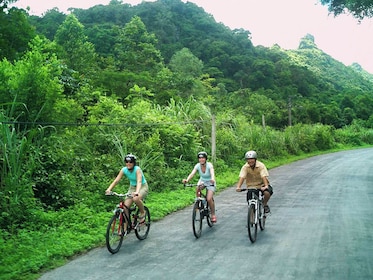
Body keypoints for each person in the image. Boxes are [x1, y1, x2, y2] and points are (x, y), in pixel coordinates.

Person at [105, 154, 148, 223]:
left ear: (134, 163)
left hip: (142, 186)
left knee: (136, 198)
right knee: (125, 207)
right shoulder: (124, 170)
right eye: (127, 162)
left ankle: (143, 212)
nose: (128, 164)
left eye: (130, 162)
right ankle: (125, 229)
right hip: (132, 187)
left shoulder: (137, 169)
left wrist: (137, 192)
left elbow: (139, 181)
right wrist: (109, 189)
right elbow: (116, 180)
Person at [182, 151, 217, 223]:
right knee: (197, 188)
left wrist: (213, 179)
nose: (201, 160)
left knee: (209, 198)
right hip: (202, 181)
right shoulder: (197, 166)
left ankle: (213, 214)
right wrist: (187, 180)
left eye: (203, 158)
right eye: (200, 158)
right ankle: (199, 203)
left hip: (210, 181)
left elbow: (212, 172)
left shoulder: (209, 165)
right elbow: (192, 173)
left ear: (205, 159)